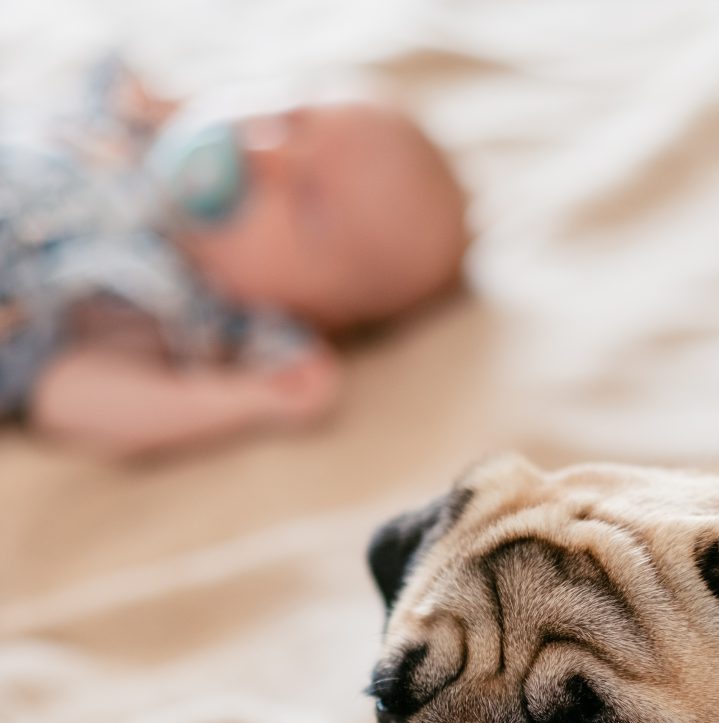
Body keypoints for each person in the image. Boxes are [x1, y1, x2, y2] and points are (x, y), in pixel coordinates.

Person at [0, 57, 468, 456]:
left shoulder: (177, 310)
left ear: (319, 318)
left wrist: (250, 401)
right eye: (289, 119)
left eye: (308, 205)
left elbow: (63, 394)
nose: (264, 151)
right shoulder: (135, 126)